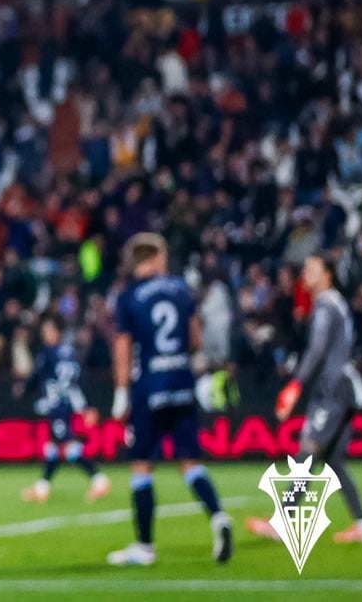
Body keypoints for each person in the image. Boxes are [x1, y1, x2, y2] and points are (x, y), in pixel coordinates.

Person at [106, 232, 233, 567]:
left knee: (142, 466)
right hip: (182, 382)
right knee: (190, 462)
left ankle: (144, 547)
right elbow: (195, 338)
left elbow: (123, 347)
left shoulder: (129, 296)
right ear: (154, 257)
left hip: (149, 386)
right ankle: (219, 517)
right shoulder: (180, 290)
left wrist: (120, 393)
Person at [249, 252, 362, 545]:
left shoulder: (326, 304)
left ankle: (282, 523)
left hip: (333, 390)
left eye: (312, 268)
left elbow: (317, 349)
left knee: (309, 450)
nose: (306, 274)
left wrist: (295, 385)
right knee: (332, 461)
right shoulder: (333, 302)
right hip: (345, 387)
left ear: (327, 273)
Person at [21, 314, 110, 503]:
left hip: (58, 405)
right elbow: (80, 380)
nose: (46, 334)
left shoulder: (46, 354)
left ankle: (99, 480)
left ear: (57, 332)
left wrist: (24, 390)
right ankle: (42, 488)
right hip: (66, 404)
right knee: (53, 448)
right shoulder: (70, 353)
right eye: (45, 330)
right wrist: (86, 405)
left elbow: (37, 377)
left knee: (69, 447)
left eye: (49, 330)